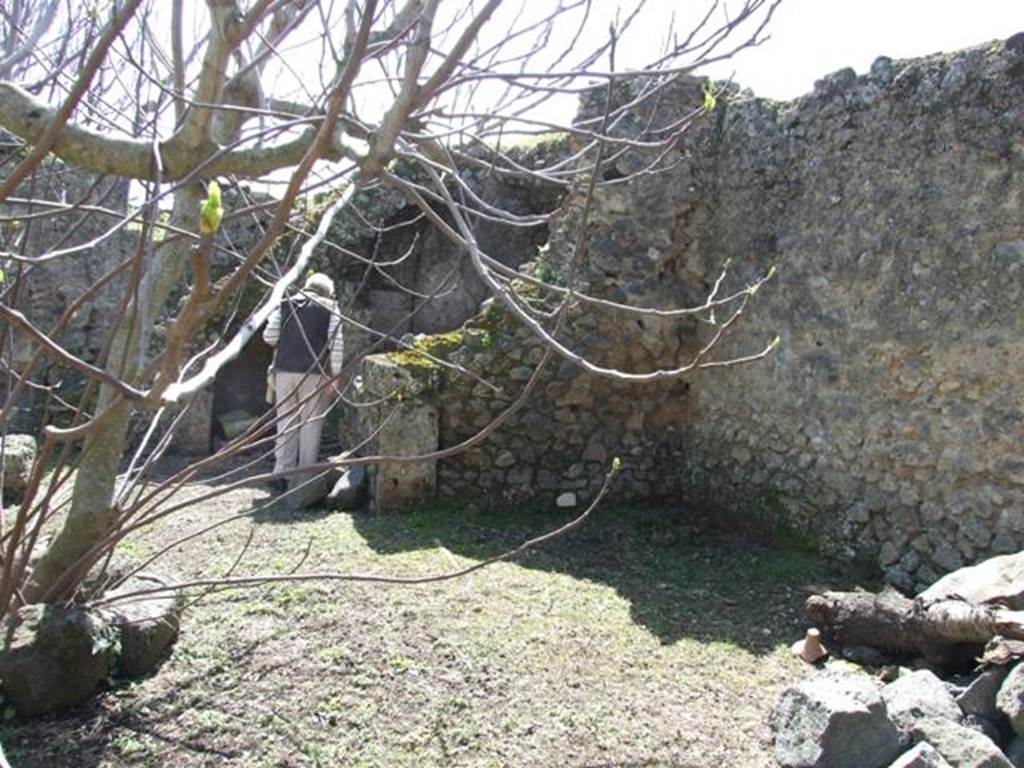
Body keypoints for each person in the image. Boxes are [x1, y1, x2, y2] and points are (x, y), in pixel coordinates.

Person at [262, 272, 344, 493]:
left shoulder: (285, 304)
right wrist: (335, 375)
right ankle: (305, 478)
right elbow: (336, 345)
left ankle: (282, 474)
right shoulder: (331, 308)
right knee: (310, 424)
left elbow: (269, 337)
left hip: (284, 372)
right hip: (315, 374)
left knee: (286, 422)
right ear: (328, 291)